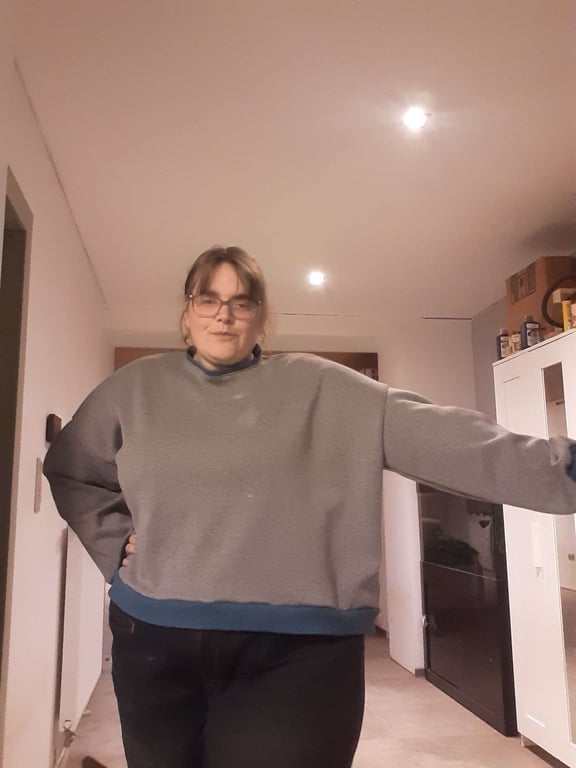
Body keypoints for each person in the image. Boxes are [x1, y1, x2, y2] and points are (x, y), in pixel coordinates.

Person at [44, 245, 576, 768]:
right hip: (154, 642)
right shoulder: (132, 388)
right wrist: (115, 545)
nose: (224, 315)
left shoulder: (328, 388)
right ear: (187, 312)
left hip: (298, 655)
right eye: (208, 299)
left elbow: (460, 444)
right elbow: (72, 470)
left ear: (261, 317)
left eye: (242, 301)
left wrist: (564, 470)